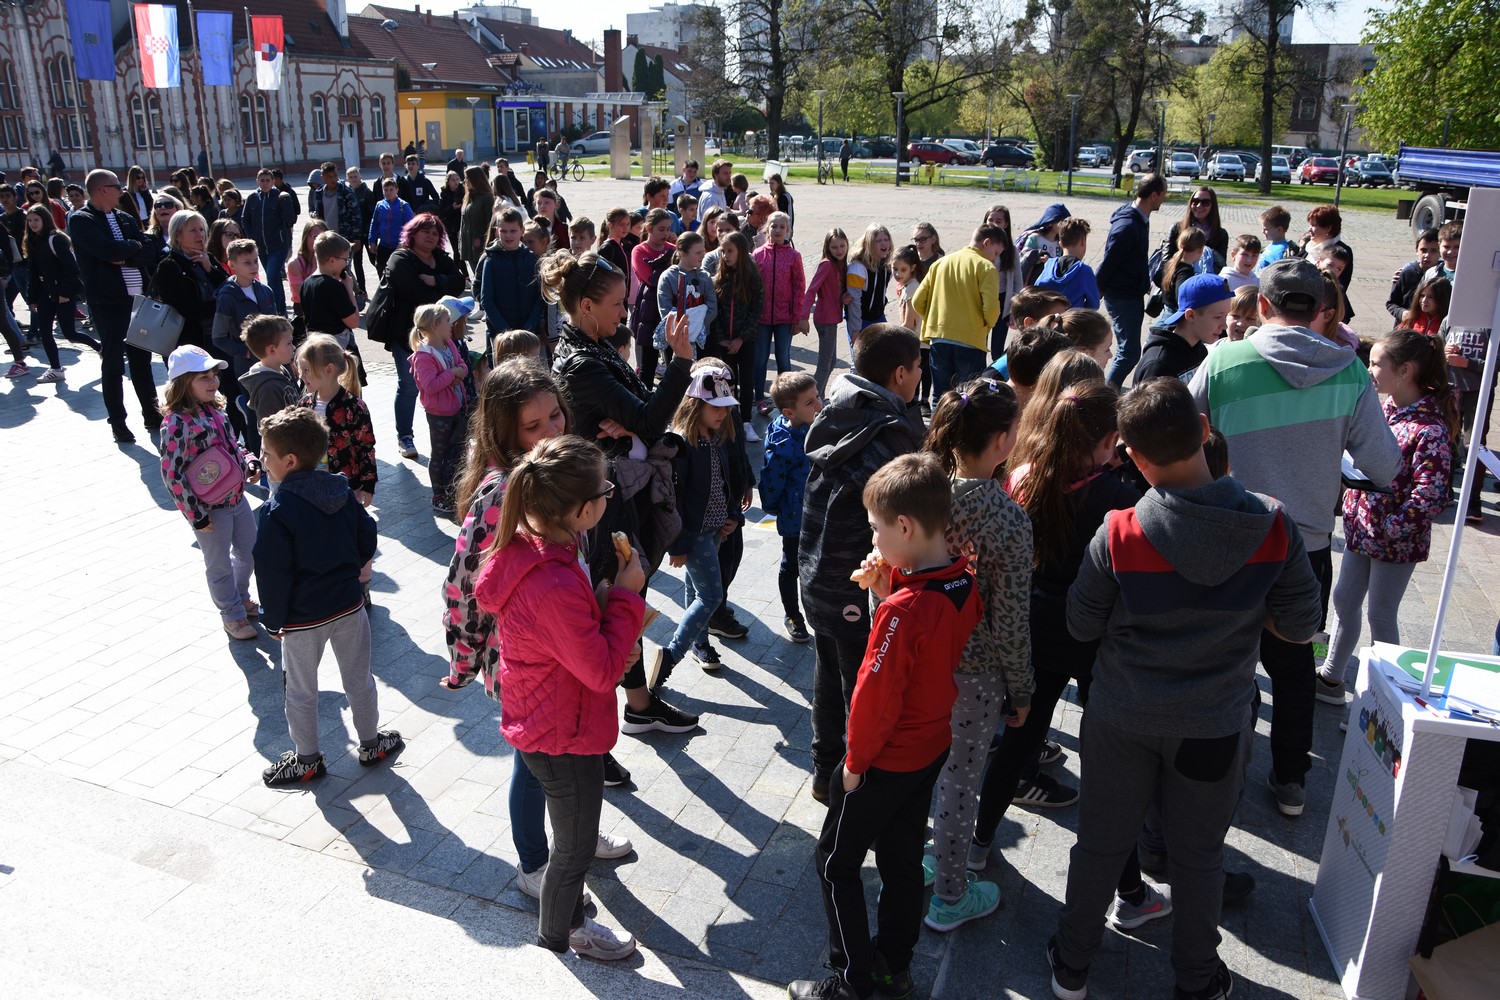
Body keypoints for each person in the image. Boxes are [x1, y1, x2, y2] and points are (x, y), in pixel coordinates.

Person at [1047, 377, 1322, 1000]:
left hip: (1123, 717)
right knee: (1199, 857)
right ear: (1204, 431)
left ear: (1134, 458)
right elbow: (1303, 626)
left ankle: (1072, 964)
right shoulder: (1273, 525)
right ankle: (1197, 979)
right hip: (1216, 723)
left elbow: (1081, 623)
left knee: (1099, 845)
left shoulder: (1119, 532)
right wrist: (1251, 611)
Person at [1188, 258, 1400, 817]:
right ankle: (1291, 779)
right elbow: (1384, 465)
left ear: (1262, 306)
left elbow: (1178, 436)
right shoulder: (1352, 373)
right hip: (1303, 547)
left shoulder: (1224, 359)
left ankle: (1205, 777)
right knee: (1294, 667)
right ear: (1324, 311)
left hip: (1227, 539)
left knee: (1214, 661)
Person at [788, 452, 983, 1000]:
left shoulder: (901, 612)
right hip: (930, 747)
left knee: (835, 862)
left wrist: (852, 764)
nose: (871, 540)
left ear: (905, 526)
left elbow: (874, 698)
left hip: (886, 758)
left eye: (876, 529)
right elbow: (936, 615)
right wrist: (889, 580)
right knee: (900, 862)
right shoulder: (961, 578)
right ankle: (894, 968)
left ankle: (851, 981)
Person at [472, 434, 643, 961]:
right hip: (563, 734)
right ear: (582, 509)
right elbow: (598, 671)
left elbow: (571, 644)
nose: (608, 499)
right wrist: (627, 601)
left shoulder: (536, 548)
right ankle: (564, 936)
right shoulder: (553, 579)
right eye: (605, 491)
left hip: (544, 717)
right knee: (572, 849)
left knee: (569, 838)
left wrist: (605, 613)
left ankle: (563, 927)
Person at [441, 359, 640, 805]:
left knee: (551, 758)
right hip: (524, 656)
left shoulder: (558, 470)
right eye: (533, 426)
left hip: (559, 645)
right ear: (506, 433)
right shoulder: (504, 490)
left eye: (555, 415)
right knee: (535, 762)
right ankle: (538, 862)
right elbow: (461, 586)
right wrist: (462, 663)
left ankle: (570, 831)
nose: (551, 430)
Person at [545, 251, 701, 741]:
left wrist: (631, 425)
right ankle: (594, 735)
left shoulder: (594, 345)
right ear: (587, 305)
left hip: (618, 491)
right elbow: (652, 416)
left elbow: (641, 411)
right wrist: (681, 362)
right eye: (617, 304)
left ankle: (638, 705)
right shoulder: (582, 361)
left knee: (628, 599)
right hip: (600, 504)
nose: (624, 313)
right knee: (610, 604)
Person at [921, 376, 1032, 933]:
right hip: (977, 671)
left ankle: (921, 858)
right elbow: (1011, 619)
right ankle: (950, 893)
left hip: (919, 662)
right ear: (1004, 440)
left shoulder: (921, 495)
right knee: (963, 779)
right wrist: (1024, 689)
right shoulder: (1008, 519)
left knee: (922, 767)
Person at [801, 324, 928, 802]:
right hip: (856, 580)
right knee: (862, 687)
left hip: (817, 570)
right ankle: (854, 785)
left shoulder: (839, 411)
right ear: (899, 374)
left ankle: (824, 772)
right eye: (917, 369)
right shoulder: (891, 438)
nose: (920, 376)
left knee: (829, 668)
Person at [254, 406, 403, 787]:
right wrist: (353, 568)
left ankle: (307, 760)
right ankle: (371, 744)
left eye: (266, 454)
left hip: (302, 619)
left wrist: (273, 620)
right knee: (359, 678)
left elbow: (272, 573)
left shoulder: (275, 512)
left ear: (288, 461)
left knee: (302, 690)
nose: (261, 460)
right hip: (349, 605)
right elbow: (367, 534)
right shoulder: (340, 490)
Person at [1318, 329, 1457, 705]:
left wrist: (1391, 528)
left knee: (1381, 615)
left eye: (1377, 363)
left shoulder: (1430, 429)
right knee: (1345, 600)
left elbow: (1429, 495)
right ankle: (1331, 677)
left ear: (1405, 371)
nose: (1368, 370)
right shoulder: (1386, 408)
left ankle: (1384, 700)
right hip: (1363, 529)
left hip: (1394, 542)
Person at [648, 360, 745, 685]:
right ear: (695, 405)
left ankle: (699, 643)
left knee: (696, 589)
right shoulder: (681, 446)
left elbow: (723, 481)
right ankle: (671, 656)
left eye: (725, 406)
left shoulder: (716, 438)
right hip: (694, 534)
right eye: (714, 406)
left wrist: (732, 514)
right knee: (711, 597)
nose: (722, 413)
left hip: (716, 528)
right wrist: (678, 544)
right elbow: (672, 500)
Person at [157, 346, 260, 641]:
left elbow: (233, 445)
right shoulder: (176, 422)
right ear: (183, 383)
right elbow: (171, 473)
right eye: (203, 377)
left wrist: (248, 460)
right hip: (209, 508)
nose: (213, 382)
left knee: (249, 551)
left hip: (237, 498)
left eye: (213, 374)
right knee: (219, 564)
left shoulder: (216, 408)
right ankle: (232, 614)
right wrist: (196, 517)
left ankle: (240, 597)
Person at [69, 169, 164, 442]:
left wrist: (127, 252)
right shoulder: (81, 220)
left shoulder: (123, 218)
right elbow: (106, 251)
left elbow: (149, 252)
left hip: (137, 300)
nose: (122, 190)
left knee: (141, 361)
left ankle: (151, 412)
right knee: (113, 363)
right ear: (102, 190)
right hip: (108, 303)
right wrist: (127, 249)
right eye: (117, 186)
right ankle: (118, 422)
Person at [376, 213, 465, 461]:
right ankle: (404, 435)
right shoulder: (400, 257)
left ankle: (442, 430)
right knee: (409, 386)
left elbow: (458, 282)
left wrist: (435, 279)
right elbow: (409, 288)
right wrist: (439, 289)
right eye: (425, 231)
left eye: (435, 233)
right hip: (407, 334)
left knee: (444, 382)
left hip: (440, 336)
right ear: (413, 233)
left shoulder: (441, 259)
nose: (431, 236)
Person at [758, 370, 822, 643]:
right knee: (791, 565)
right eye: (810, 402)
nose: (819, 405)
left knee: (819, 564)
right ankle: (792, 614)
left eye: (817, 396)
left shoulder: (817, 425)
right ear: (789, 412)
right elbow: (771, 481)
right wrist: (775, 508)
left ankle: (818, 610)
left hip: (820, 513)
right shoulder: (781, 443)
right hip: (795, 518)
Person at [912, 224, 1007, 398]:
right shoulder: (986, 267)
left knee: (940, 397)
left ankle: (936, 425)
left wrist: (935, 319)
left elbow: (917, 301)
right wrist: (986, 325)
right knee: (968, 399)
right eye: (996, 253)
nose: (995, 259)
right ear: (987, 243)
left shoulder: (941, 262)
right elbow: (992, 308)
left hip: (939, 338)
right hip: (970, 341)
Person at [1098, 173, 1167, 387]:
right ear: (1153, 195)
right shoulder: (1128, 225)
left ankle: (1110, 392)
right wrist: (1094, 290)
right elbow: (1109, 261)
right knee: (1129, 353)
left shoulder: (1139, 219)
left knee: (1129, 352)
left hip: (1130, 294)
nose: (1164, 199)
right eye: (1163, 194)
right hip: (1122, 296)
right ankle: (1108, 395)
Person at [20, 203, 95, 382]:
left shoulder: (56, 239)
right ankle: (55, 368)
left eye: (36, 220)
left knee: (70, 333)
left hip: (62, 294)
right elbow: (33, 272)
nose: (33, 224)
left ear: (45, 220)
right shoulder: (32, 241)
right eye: (29, 221)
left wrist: (65, 292)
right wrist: (32, 299)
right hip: (44, 293)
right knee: (45, 333)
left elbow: (72, 268)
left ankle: (99, 348)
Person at [409, 303, 471, 517]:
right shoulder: (423, 356)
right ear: (435, 325)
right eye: (447, 321)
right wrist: (453, 373)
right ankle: (438, 496)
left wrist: (457, 371)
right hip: (439, 413)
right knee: (440, 453)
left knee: (456, 451)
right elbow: (430, 385)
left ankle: (454, 490)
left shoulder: (448, 344)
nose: (451, 324)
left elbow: (463, 365)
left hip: (457, 406)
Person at [708, 231, 763, 432]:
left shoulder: (753, 278)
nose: (725, 256)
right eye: (723, 251)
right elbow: (716, 313)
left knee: (746, 381)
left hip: (745, 341)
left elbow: (756, 311)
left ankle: (746, 421)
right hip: (725, 342)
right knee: (727, 381)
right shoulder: (719, 279)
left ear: (741, 252)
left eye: (730, 251)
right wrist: (722, 338)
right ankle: (730, 419)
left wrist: (741, 338)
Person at [751, 211, 806, 410]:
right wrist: (753, 315)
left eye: (782, 227)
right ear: (767, 229)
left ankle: (786, 399)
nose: (777, 230)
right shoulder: (758, 254)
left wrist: (797, 316)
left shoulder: (794, 255)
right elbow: (753, 286)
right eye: (774, 226)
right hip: (762, 318)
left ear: (788, 231)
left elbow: (800, 287)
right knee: (760, 359)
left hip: (785, 317)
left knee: (783, 358)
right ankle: (759, 398)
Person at [1136, 273, 1233, 383]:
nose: (1224, 325)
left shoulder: (1200, 350)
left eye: (1226, 316)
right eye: (1218, 317)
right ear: (1190, 315)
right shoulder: (1159, 365)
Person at [477, 208, 541, 346]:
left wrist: (528, 328)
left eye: (513, 231)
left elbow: (539, 297)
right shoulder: (491, 260)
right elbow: (486, 300)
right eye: (503, 231)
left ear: (522, 231)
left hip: (528, 334)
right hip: (500, 335)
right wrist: (505, 331)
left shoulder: (531, 259)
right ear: (496, 231)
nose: (508, 236)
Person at [629, 207, 677, 388]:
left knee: (675, 363)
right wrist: (669, 258)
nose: (666, 233)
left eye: (668, 229)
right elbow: (651, 280)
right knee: (647, 366)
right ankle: (645, 403)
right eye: (661, 229)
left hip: (671, 310)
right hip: (649, 310)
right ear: (649, 229)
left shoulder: (674, 249)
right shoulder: (640, 250)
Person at [654, 231, 717, 359]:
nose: (703, 256)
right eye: (698, 253)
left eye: (703, 251)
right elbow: (665, 311)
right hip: (677, 338)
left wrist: (697, 326)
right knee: (679, 377)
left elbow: (712, 307)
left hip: (703, 337)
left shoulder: (704, 277)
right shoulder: (668, 277)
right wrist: (685, 328)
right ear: (682, 254)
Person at [243, 169, 296, 315]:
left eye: (268, 180)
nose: (265, 183)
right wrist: (250, 238)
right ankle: (282, 310)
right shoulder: (253, 198)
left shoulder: (279, 196)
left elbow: (290, 220)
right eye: (262, 180)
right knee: (275, 279)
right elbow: (245, 219)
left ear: (273, 182)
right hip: (260, 247)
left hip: (278, 245)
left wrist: (286, 201)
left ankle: (276, 310)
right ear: (257, 181)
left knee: (272, 277)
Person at [804, 228, 850, 395]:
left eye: (842, 246)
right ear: (827, 248)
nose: (839, 250)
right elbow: (811, 291)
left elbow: (834, 290)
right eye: (834, 247)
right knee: (825, 364)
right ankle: (813, 398)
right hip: (825, 319)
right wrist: (803, 317)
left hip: (831, 318)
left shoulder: (840, 265)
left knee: (831, 362)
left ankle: (819, 396)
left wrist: (843, 296)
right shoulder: (827, 265)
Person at [299, 232, 362, 351]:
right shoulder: (332, 286)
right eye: (345, 259)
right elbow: (354, 321)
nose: (346, 263)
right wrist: (349, 288)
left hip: (315, 347)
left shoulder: (306, 284)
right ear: (332, 260)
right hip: (335, 350)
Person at [238, 314, 300, 432]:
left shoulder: (280, 370)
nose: (293, 347)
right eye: (289, 343)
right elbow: (271, 431)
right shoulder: (268, 388)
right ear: (272, 349)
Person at [1034, 217, 1098, 310]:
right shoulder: (1084, 271)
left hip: (1048, 320)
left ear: (1060, 243)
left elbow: (1036, 290)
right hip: (1073, 321)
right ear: (1083, 241)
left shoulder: (1049, 265)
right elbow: (1093, 305)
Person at [845, 224, 893, 344]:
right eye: (878, 241)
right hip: (861, 319)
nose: (884, 244)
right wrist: (856, 329)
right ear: (870, 244)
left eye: (886, 239)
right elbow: (854, 302)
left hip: (878, 316)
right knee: (860, 359)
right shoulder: (857, 268)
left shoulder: (887, 265)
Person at [1166, 186, 1230, 275]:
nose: (1199, 206)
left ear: (1212, 205)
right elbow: (1166, 260)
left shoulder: (1221, 234)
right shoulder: (1177, 228)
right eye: (1195, 201)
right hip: (1179, 278)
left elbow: (1221, 266)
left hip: (1205, 283)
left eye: (1205, 202)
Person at [1387, 228, 1440, 325]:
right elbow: (1391, 303)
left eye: (1433, 251)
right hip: (1405, 328)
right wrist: (1402, 313)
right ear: (1416, 250)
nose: (1427, 255)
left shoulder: (1442, 276)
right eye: (1423, 250)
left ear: (1440, 252)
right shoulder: (1407, 273)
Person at [309, 162, 364, 254]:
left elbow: (356, 215)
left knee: (341, 266)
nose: (333, 179)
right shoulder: (319, 194)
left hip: (344, 238)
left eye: (334, 175)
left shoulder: (346, 192)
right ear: (323, 177)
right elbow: (319, 218)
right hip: (326, 238)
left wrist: (356, 238)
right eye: (329, 176)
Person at [366, 178, 414, 274]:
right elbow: (374, 223)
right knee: (381, 269)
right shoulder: (380, 205)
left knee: (397, 273)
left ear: (397, 190)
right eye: (386, 190)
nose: (388, 192)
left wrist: (403, 243)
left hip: (398, 246)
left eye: (391, 189)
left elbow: (411, 227)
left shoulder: (403, 206)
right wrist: (371, 241)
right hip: (383, 246)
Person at [459, 165, 495, 280]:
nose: (464, 181)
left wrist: (487, 244)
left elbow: (491, 223)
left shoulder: (488, 197)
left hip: (481, 246)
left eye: (467, 178)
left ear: (475, 179)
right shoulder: (468, 196)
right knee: (477, 278)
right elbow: (463, 222)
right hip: (468, 246)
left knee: (483, 278)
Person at [1160, 228, 1206, 318]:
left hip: (1166, 308)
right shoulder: (1185, 271)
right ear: (1200, 249)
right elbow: (1182, 297)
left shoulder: (1172, 262)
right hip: (1173, 315)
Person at [345, 166, 375, 303]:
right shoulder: (347, 193)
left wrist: (369, 232)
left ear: (360, 177)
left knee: (375, 261)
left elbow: (372, 214)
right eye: (351, 177)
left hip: (366, 233)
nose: (353, 179)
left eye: (355, 176)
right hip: (354, 235)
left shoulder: (367, 192)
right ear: (347, 179)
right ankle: (362, 291)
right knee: (357, 264)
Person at [1256, 205, 1298, 273]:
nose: (1262, 231)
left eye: (1266, 229)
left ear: (1279, 229)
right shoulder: (1272, 245)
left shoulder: (1282, 251)